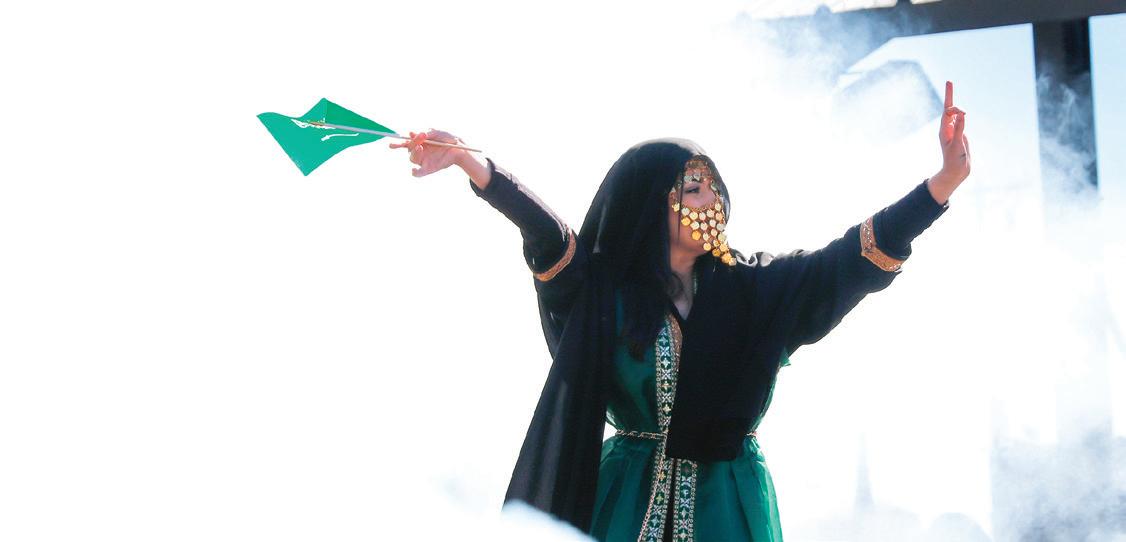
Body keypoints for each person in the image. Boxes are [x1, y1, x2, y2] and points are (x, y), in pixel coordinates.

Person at [390, 82, 971, 542]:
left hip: (729, 504)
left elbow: (847, 261)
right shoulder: (605, 294)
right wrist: (474, 164)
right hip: (626, 499)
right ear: (653, 204)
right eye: (694, 189)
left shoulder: (757, 288)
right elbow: (549, 235)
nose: (712, 200)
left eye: (713, 187)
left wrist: (940, 186)